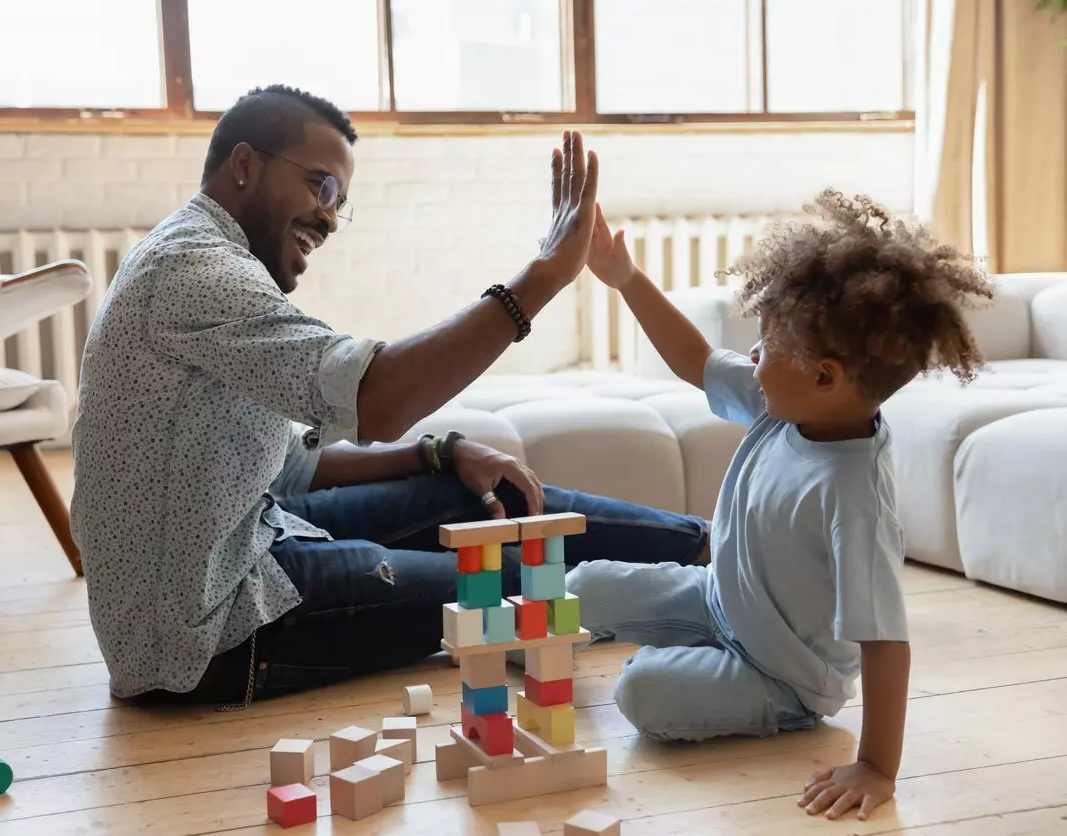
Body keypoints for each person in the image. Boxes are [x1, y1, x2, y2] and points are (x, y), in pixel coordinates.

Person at [68, 85, 709, 711]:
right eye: (320, 185)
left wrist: (440, 452)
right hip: (203, 630)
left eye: (338, 200)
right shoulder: (195, 271)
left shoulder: (208, 259)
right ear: (244, 165)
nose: (328, 215)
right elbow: (378, 401)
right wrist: (544, 276)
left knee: (477, 497)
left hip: (256, 539)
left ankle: (710, 547)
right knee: (531, 589)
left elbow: (290, 467)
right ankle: (721, 598)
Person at [566, 191, 993, 822]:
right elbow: (693, 360)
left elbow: (886, 645)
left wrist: (876, 766)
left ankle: (760, 704)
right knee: (578, 588)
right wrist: (625, 279)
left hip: (782, 672)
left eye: (765, 347)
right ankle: (531, 647)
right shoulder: (783, 402)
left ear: (825, 376)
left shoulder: (856, 500)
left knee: (640, 690)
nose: (753, 360)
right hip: (718, 599)